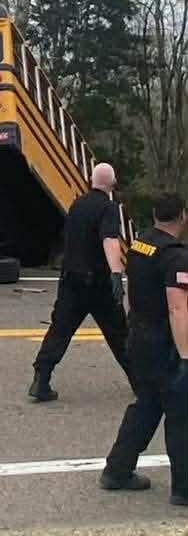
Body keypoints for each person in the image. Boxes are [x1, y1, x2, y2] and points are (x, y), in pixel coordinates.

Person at [100, 193, 188, 503]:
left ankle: (117, 469)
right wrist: (186, 357)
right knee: (181, 413)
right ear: (182, 217)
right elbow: (178, 308)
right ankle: (184, 489)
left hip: (138, 337)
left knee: (148, 405)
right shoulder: (175, 256)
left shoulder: (140, 245)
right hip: (164, 345)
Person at [29, 162, 129, 402]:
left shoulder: (76, 205)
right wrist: (116, 273)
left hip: (71, 279)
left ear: (90, 181)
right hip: (97, 282)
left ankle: (41, 377)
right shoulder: (108, 208)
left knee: (60, 329)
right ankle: (142, 383)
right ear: (113, 185)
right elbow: (109, 240)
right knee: (119, 334)